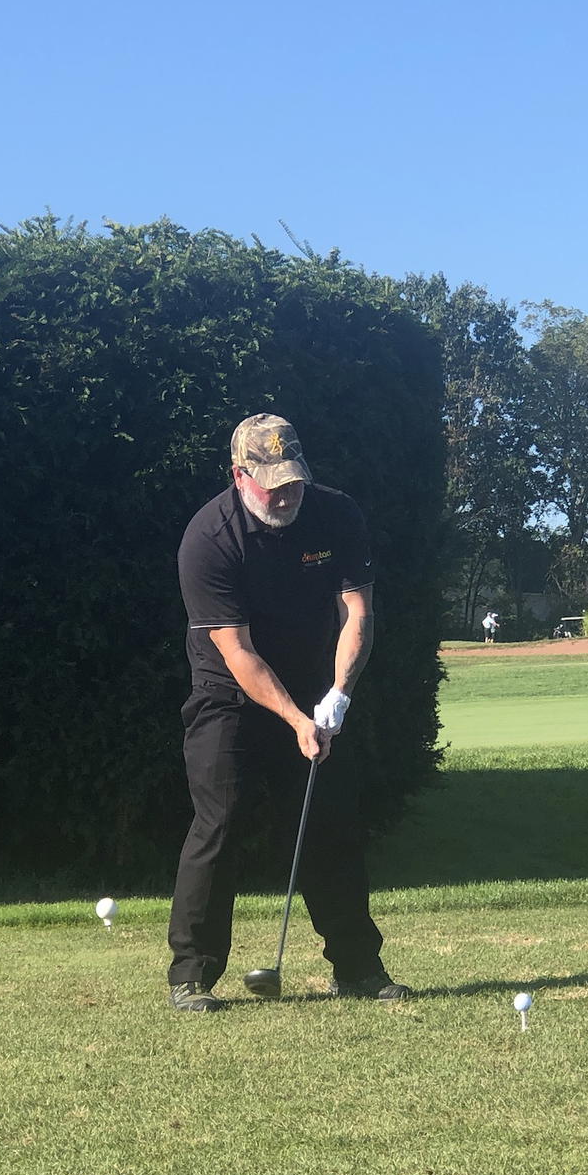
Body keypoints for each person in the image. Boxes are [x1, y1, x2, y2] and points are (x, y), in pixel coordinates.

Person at [166, 413, 407, 1012]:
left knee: (330, 821)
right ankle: (192, 974)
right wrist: (296, 721)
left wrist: (338, 694)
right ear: (238, 475)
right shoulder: (210, 538)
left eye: (293, 481)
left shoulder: (336, 514)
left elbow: (357, 613)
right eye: (271, 484)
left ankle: (358, 968)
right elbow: (238, 652)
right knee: (221, 821)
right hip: (228, 691)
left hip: (312, 682)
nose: (285, 495)